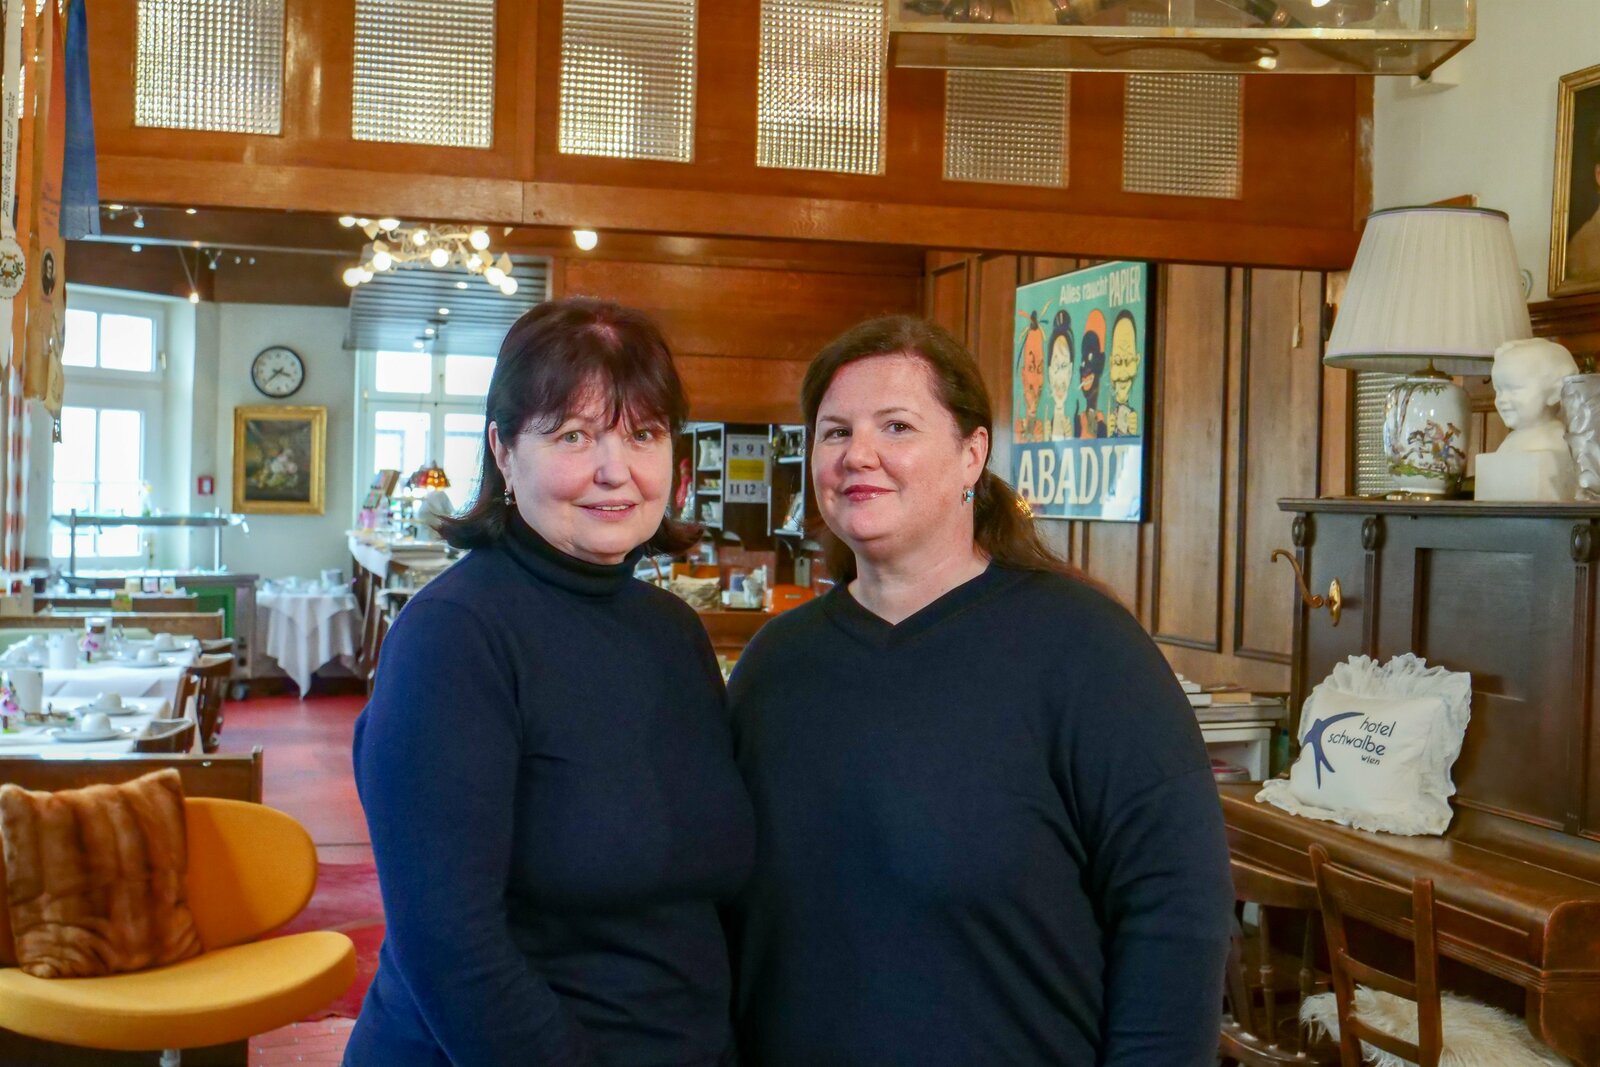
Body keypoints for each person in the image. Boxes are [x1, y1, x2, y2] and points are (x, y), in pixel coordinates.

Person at [728, 315, 1232, 1066]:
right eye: (835, 432)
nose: (857, 454)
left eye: (896, 426)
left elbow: (1177, 913)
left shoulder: (1086, 648)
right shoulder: (774, 664)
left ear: (973, 454)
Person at [347, 297, 755, 1067]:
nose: (615, 469)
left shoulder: (673, 631)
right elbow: (452, 949)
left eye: (643, 434)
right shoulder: (452, 638)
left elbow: (699, 901)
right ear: (504, 451)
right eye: (573, 434)